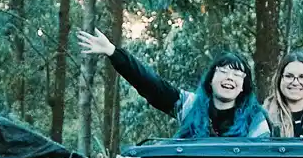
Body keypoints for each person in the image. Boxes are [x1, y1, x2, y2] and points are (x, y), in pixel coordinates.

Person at [76, 28, 270, 139]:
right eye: (224, 71)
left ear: (243, 86)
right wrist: (113, 52)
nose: (230, 77)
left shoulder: (256, 119)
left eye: (237, 74)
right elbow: (151, 85)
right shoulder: (190, 105)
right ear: (211, 80)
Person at [265, 53, 303, 138]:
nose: (295, 82)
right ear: (279, 80)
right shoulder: (264, 116)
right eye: (289, 76)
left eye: (302, 77)